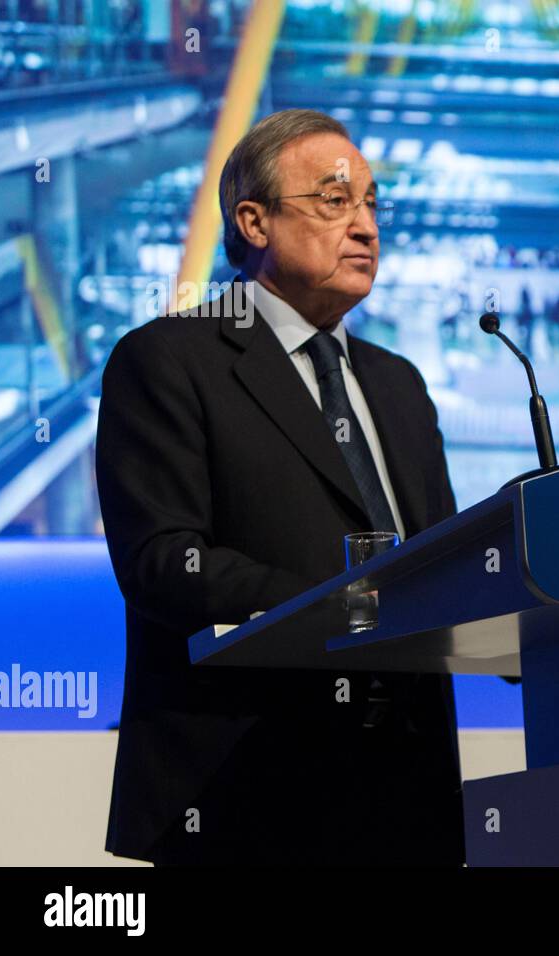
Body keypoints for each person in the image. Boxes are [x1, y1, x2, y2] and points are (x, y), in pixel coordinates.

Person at [95, 109, 464, 864]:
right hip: (243, 800)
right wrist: (352, 603)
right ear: (253, 222)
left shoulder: (398, 385)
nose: (364, 227)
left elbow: (442, 562)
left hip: (406, 802)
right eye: (334, 202)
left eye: (370, 204)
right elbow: (163, 563)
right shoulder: (167, 360)